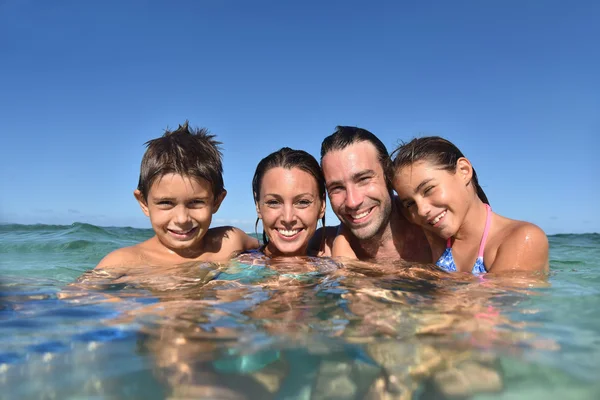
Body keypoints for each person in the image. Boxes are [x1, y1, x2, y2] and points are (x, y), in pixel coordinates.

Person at [94, 122, 259, 271]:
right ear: (144, 202)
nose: (182, 219)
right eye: (166, 203)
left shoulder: (230, 243)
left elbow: (272, 252)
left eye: (196, 202)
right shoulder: (123, 262)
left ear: (217, 201)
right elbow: (76, 298)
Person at [391, 136, 549, 274]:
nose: (422, 210)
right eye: (410, 203)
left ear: (464, 170)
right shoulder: (434, 235)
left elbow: (492, 304)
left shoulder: (523, 238)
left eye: (429, 189)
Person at [319, 126, 435, 262]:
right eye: (337, 188)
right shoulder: (321, 247)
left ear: (389, 176)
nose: (352, 202)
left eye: (363, 179)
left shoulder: (434, 229)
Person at [251, 147, 336, 257]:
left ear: (322, 206)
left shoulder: (335, 265)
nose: (288, 218)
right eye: (273, 202)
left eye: (303, 202)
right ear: (258, 206)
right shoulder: (237, 266)